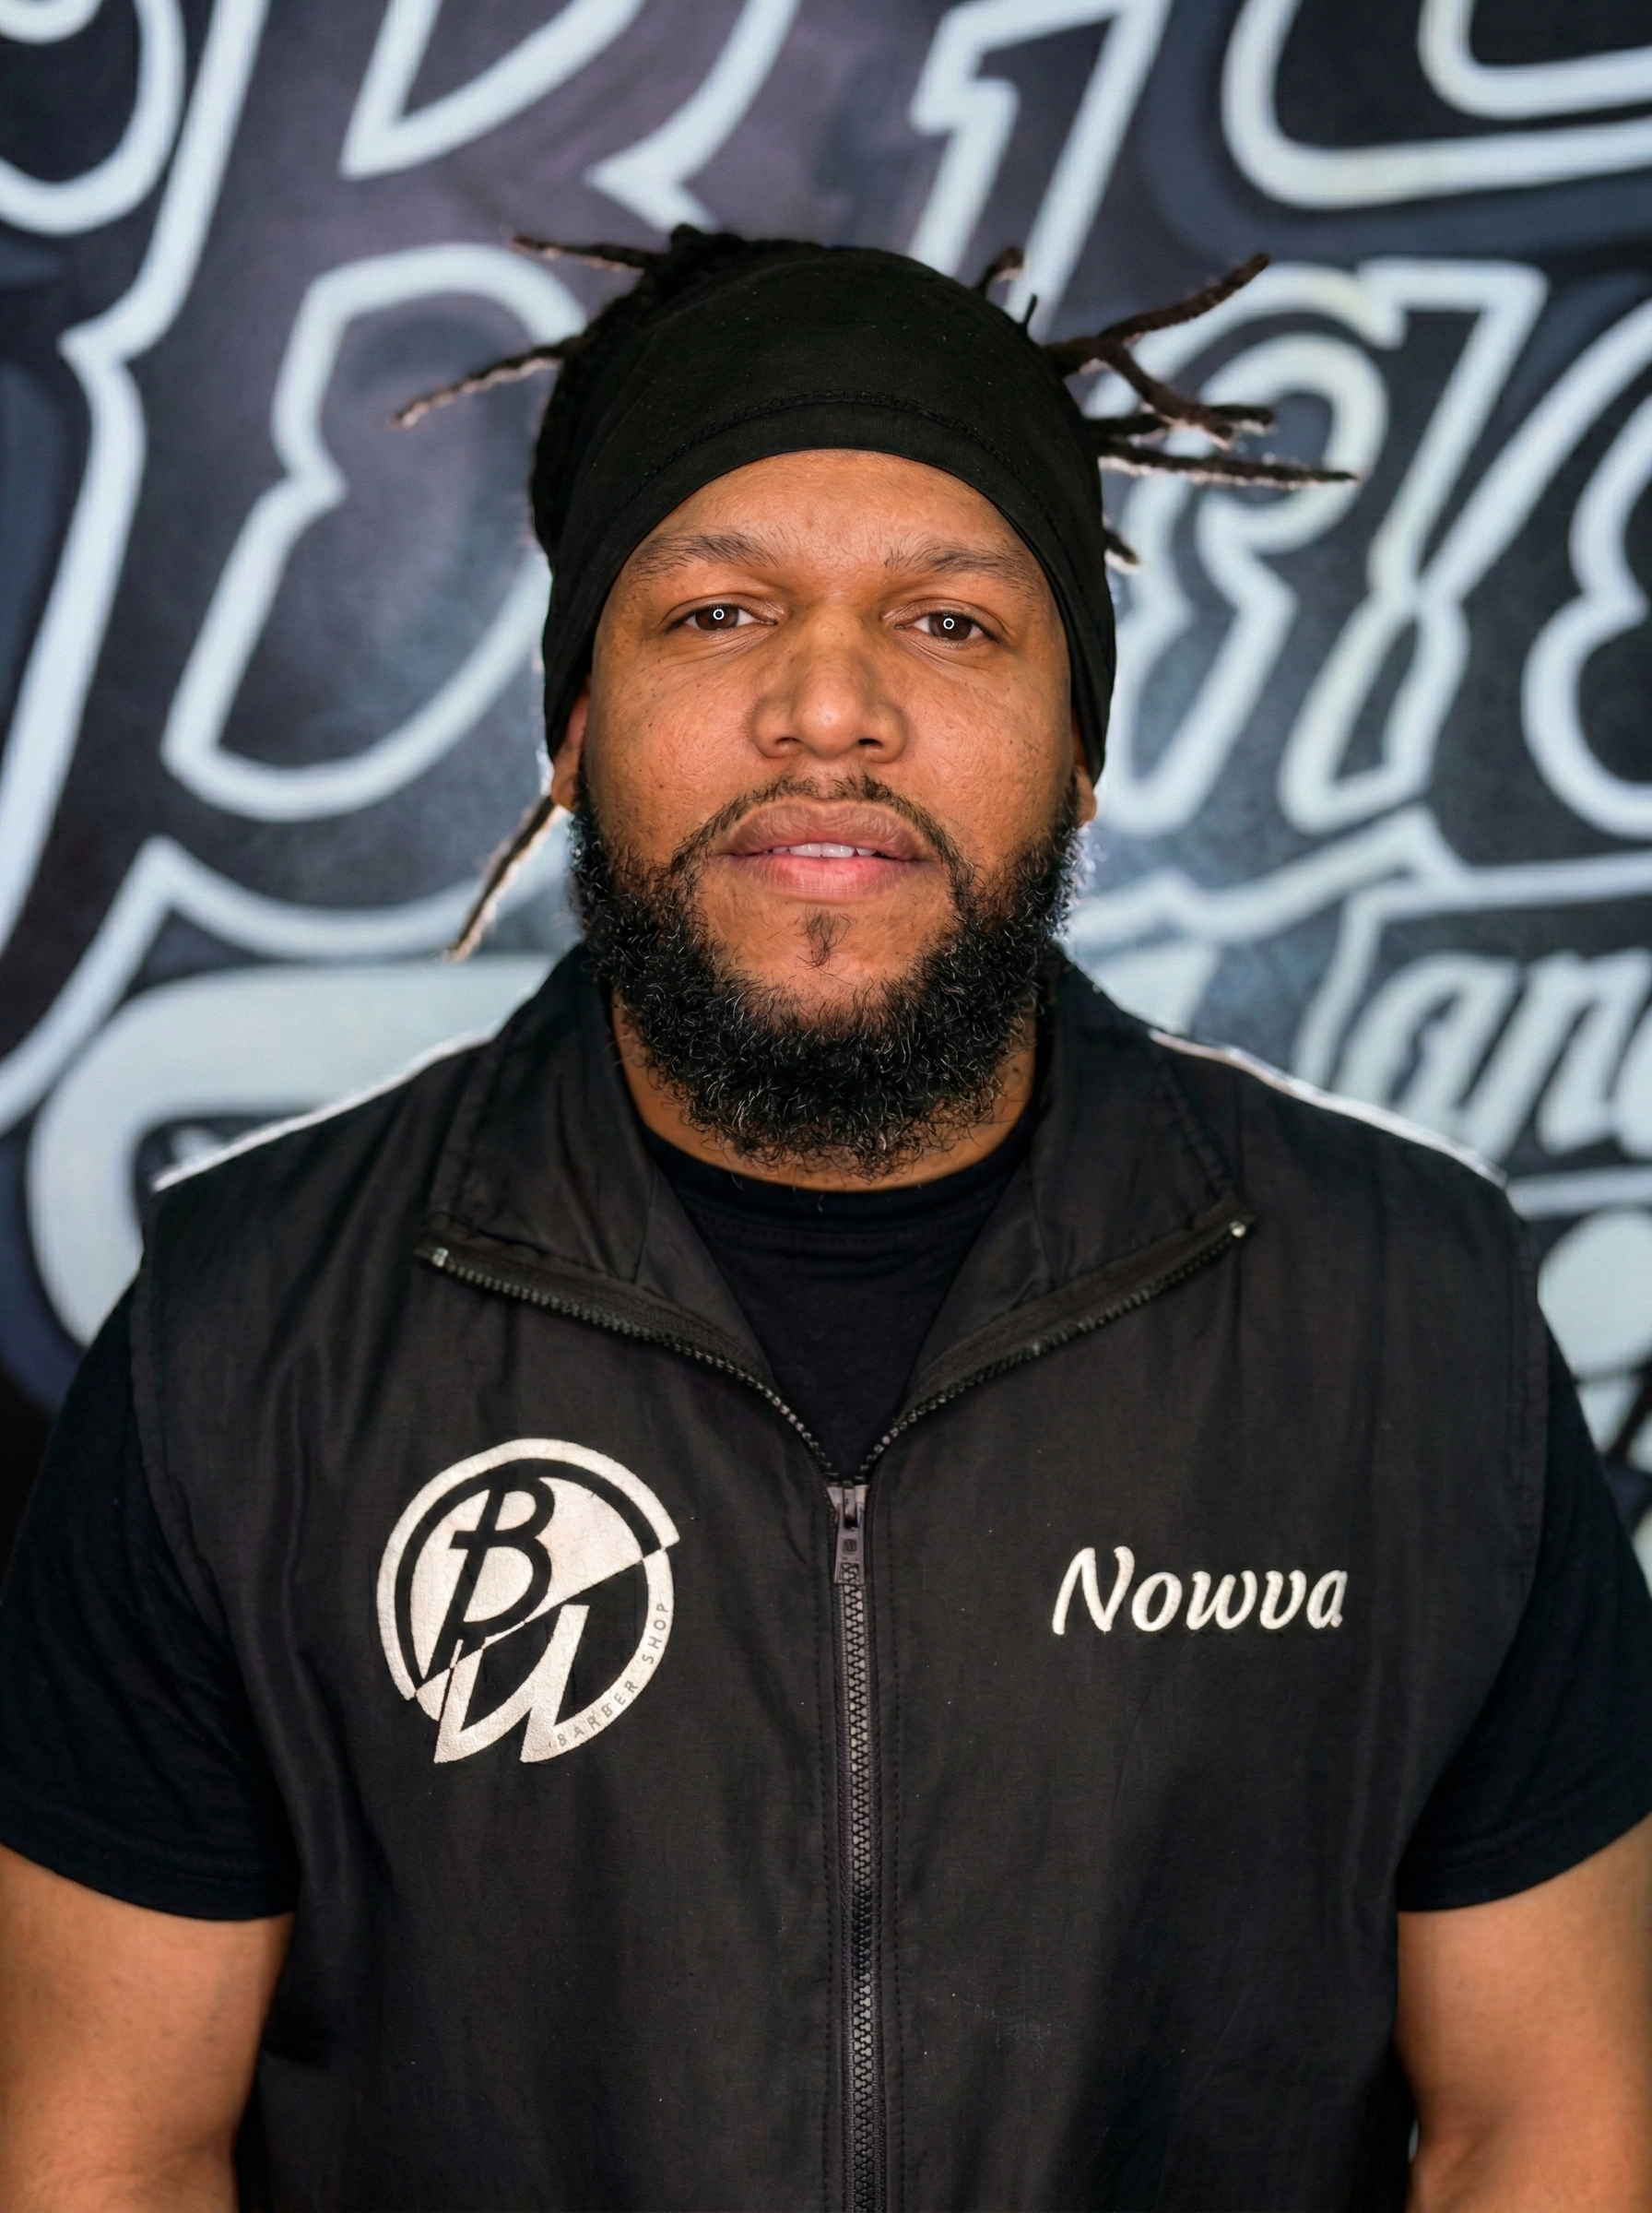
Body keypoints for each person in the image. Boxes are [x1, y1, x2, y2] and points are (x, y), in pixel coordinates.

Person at [0, 228, 1649, 2213]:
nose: (827, 708)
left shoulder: (1410, 1320)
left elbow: (1542, 2124)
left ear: (1080, 750)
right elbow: (104, 2152)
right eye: (712, 615)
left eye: (950, 625)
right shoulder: (242, 1337)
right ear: (569, 728)